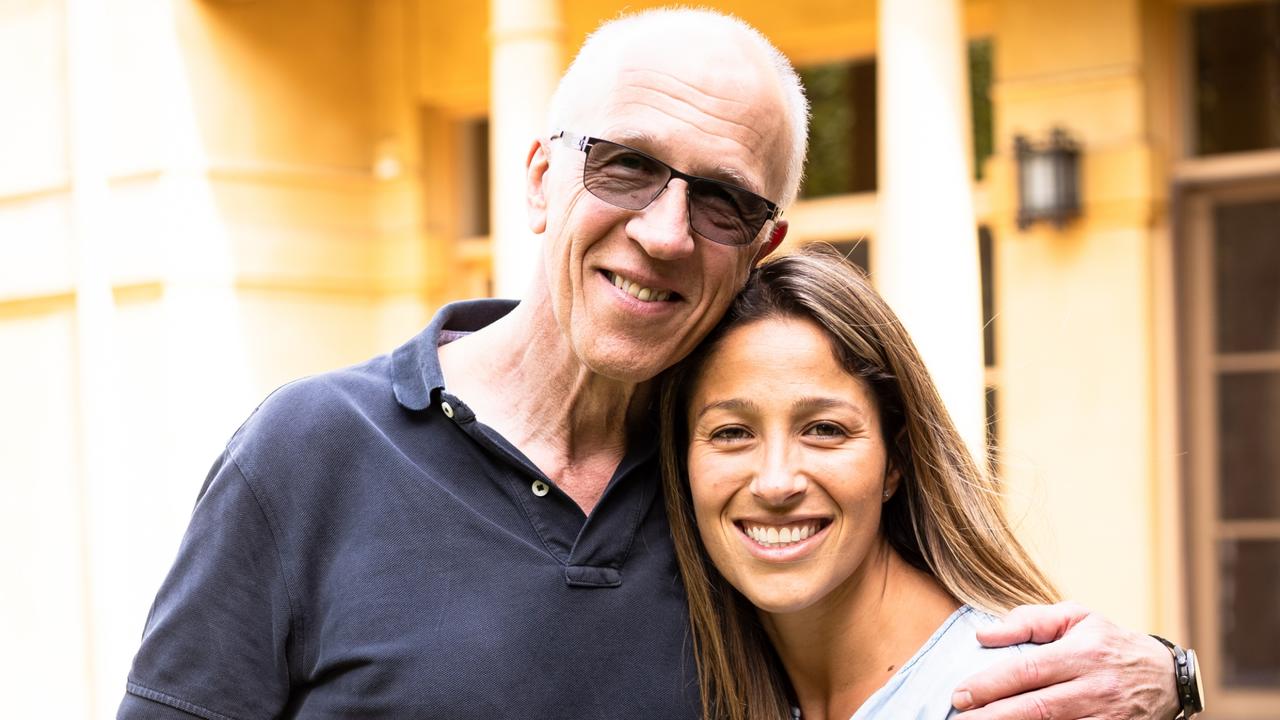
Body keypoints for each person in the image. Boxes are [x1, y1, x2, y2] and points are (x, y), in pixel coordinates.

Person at [119, 8, 1188, 720]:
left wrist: (1164, 676)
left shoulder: (734, 485)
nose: (666, 232)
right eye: (625, 166)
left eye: (720, 200)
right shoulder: (307, 454)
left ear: (760, 247)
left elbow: (918, 658)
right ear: (540, 180)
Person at [658, 245, 1056, 719]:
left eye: (825, 430)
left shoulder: (1008, 696)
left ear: (896, 460)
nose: (775, 482)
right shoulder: (701, 688)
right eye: (732, 433)